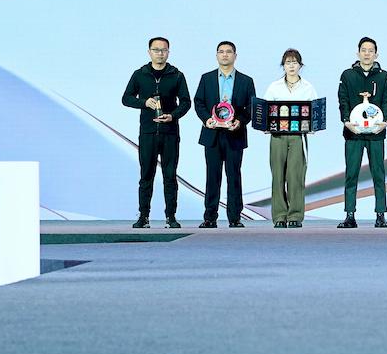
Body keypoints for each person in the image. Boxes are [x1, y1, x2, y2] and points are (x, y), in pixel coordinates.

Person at [121, 37, 192, 229]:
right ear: (149, 52)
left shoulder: (177, 75)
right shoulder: (140, 74)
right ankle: (143, 216)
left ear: (168, 52)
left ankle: (171, 217)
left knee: (170, 176)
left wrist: (173, 115)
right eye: (156, 50)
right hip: (148, 133)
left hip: (170, 133)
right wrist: (144, 102)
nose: (160, 53)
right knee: (146, 175)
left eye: (164, 50)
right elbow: (126, 98)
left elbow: (186, 102)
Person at [194, 41, 256, 228]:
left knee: (234, 176)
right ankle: (209, 217)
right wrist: (206, 119)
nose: (225, 55)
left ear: (235, 56)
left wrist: (240, 122)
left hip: (234, 134)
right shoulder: (206, 78)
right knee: (212, 176)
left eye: (229, 52)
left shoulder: (246, 81)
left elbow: (251, 106)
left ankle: (235, 217)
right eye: (221, 51)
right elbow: (198, 102)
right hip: (212, 134)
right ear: (216, 55)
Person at [337, 36, 387, 229]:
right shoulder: (347, 75)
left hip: (376, 133)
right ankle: (350, 215)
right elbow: (343, 100)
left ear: (376, 54)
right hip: (353, 133)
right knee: (351, 173)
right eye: (364, 50)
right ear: (358, 53)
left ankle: (380, 215)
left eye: (371, 50)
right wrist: (346, 121)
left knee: (378, 173)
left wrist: (386, 121)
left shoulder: (384, 76)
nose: (367, 53)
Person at [263, 49, 317, 229]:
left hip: (298, 137)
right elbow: (265, 111)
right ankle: (279, 216)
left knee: (295, 176)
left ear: (300, 65)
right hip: (277, 137)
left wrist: (312, 126)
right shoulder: (274, 87)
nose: (291, 66)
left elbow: (315, 114)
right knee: (278, 175)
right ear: (283, 66)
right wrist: (265, 126)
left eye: (295, 62)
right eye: (288, 62)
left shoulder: (308, 87)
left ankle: (295, 215)